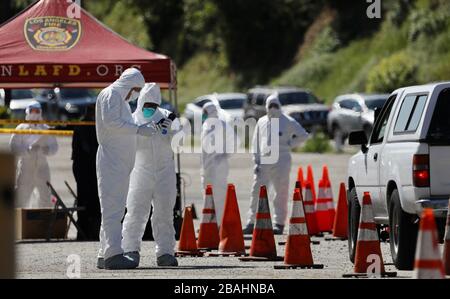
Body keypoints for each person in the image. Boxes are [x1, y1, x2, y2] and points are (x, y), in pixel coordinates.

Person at [96, 68, 157, 270]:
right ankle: (113, 253)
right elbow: (112, 123)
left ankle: (104, 253)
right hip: (112, 161)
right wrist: (138, 129)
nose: (136, 94)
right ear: (129, 84)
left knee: (113, 207)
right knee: (113, 208)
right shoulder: (111, 94)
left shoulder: (118, 99)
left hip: (118, 162)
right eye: (136, 89)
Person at [122, 83, 180, 267]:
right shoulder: (132, 120)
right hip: (141, 173)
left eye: (153, 106)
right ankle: (130, 250)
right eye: (147, 105)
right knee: (136, 212)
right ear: (141, 103)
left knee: (164, 213)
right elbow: (126, 147)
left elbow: (181, 144)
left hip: (165, 172)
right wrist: (140, 133)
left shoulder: (168, 117)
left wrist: (172, 132)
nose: (149, 109)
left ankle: (165, 252)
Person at [243, 94, 309, 235]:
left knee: (281, 192)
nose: (273, 108)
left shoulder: (287, 121)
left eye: (275, 105)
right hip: (264, 162)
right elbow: (255, 143)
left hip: (282, 161)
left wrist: (290, 144)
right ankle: (252, 222)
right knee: (257, 191)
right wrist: (256, 160)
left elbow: (303, 135)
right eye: (270, 105)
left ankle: (279, 223)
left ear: (279, 106)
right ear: (266, 107)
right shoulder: (261, 121)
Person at [10, 101, 58, 208]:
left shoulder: (46, 128)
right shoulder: (20, 128)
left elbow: (55, 146)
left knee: (45, 197)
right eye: (32, 111)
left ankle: (41, 221)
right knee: (21, 198)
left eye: (37, 111)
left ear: (40, 112)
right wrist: (26, 150)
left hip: (42, 168)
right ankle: (21, 222)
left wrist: (47, 150)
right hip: (26, 168)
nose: (35, 113)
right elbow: (13, 146)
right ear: (28, 111)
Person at [200, 102, 234, 225]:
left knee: (219, 197)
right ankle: (208, 225)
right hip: (206, 168)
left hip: (219, 168)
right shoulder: (205, 126)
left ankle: (220, 224)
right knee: (207, 196)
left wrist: (224, 155)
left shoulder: (223, 126)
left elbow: (234, 142)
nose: (202, 114)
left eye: (204, 112)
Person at [72, 104, 100, 241]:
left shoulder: (95, 124)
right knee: (85, 199)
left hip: (91, 167)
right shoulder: (83, 125)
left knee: (94, 199)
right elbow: (87, 148)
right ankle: (84, 232)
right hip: (84, 168)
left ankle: (92, 231)